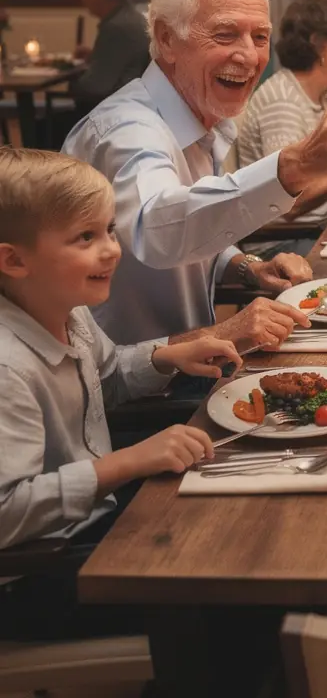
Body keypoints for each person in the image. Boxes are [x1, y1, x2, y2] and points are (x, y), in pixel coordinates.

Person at [63, 0, 327, 350]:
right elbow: (157, 230)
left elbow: (190, 235)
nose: (250, 56)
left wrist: (246, 266)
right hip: (130, 379)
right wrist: (296, 165)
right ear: (166, 38)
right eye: (225, 34)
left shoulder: (200, 116)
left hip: (197, 364)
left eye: (260, 37)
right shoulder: (129, 129)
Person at [0, 150, 238, 636]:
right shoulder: (8, 368)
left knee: (230, 511)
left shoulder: (69, 312)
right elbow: (6, 512)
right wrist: (127, 462)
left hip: (93, 521)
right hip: (39, 576)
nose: (112, 250)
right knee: (223, 578)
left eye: (109, 230)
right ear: (13, 260)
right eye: (85, 237)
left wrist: (166, 356)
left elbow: (106, 377)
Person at [237, 0, 327, 256]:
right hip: (283, 245)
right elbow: (289, 203)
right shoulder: (284, 102)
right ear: (320, 44)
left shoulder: (313, 94)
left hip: (315, 230)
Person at [68, 0, 151, 114]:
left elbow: (94, 87)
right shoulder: (133, 18)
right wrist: (94, 56)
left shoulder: (117, 27)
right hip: (135, 105)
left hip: (115, 113)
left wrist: (72, 80)